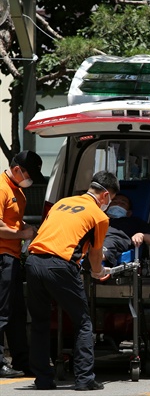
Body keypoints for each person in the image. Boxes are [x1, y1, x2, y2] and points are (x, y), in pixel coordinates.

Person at [25, 170, 119, 391]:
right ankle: (84, 379)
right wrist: (98, 272)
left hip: (33, 261)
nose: (109, 204)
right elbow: (96, 255)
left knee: (39, 323)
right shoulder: (99, 216)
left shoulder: (61, 203)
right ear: (105, 195)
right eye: (111, 200)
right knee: (83, 322)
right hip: (60, 265)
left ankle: (43, 379)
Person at [0, 150, 44, 378]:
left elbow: (13, 220)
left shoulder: (18, 191)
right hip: (2, 256)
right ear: (17, 169)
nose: (32, 179)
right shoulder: (1, 187)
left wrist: (27, 227)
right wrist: (23, 234)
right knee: (2, 312)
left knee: (16, 313)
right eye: (30, 174)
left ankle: (22, 360)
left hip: (13, 257)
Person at [102, 193, 150, 266]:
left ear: (129, 213)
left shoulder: (134, 222)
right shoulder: (98, 219)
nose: (118, 205)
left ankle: (96, 257)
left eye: (123, 204)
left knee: (109, 242)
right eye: (114, 202)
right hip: (95, 238)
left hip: (113, 240)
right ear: (107, 208)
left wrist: (142, 235)